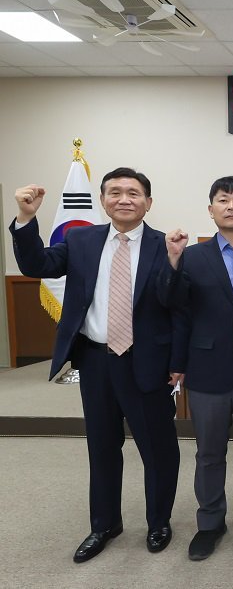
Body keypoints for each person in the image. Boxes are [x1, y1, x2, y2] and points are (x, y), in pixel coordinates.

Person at [9, 168, 182, 563]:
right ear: (103, 200)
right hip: (95, 360)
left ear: (148, 202)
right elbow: (37, 265)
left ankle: (158, 522)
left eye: (133, 193)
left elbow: (178, 308)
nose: (124, 199)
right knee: (102, 446)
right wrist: (26, 218)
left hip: (146, 362)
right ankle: (104, 524)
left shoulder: (165, 245)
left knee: (158, 449)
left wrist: (177, 363)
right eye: (115, 192)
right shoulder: (80, 240)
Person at [159, 176, 233, 560]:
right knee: (208, 454)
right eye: (223, 200)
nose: (231, 206)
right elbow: (174, 307)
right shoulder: (191, 256)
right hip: (207, 369)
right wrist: (172, 260)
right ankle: (210, 523)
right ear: (211, 210)